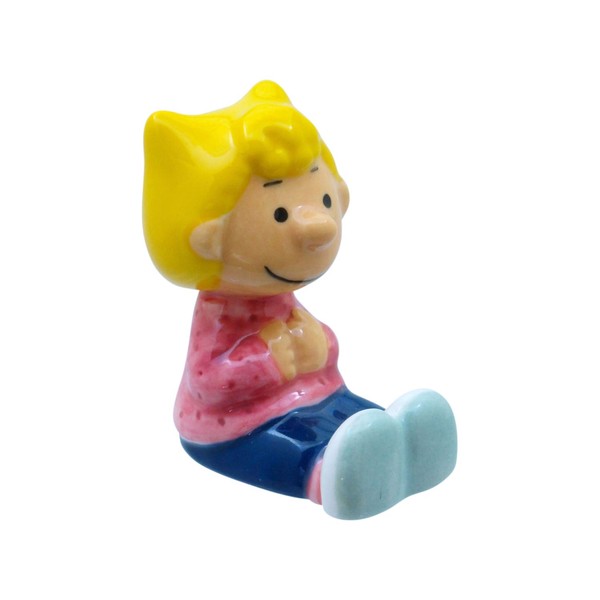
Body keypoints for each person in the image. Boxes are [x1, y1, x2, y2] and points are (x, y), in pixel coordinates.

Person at [143, 81, 457, 519]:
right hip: (234, 430)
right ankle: (330, 474)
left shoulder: (281, 299)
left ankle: (403, 440)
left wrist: (321, 344)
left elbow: (314, 344)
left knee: (353, 417)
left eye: (324, 199)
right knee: (294, 446)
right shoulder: (218, 313)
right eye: (279, 214)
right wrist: (272, 360)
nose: (321, 225)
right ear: (209, 239)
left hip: (315, 396)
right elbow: (208, 381)